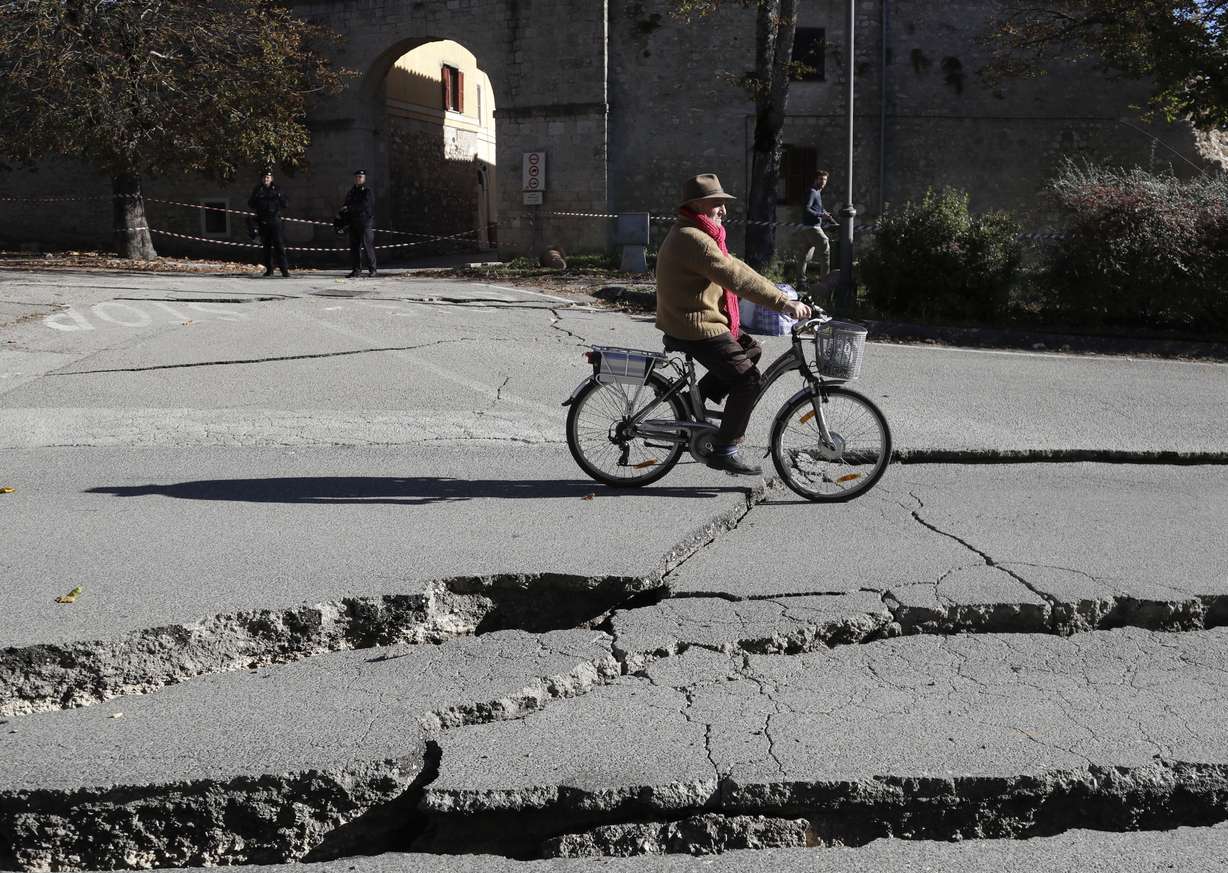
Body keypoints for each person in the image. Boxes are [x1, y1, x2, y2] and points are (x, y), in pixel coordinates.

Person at [656, 173, 812, 477]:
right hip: (694, 325)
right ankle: (725, 450)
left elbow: (736, 267)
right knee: (748, 380)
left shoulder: (702, 234)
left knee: (750, 350)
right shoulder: (694, 239)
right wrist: (783, 304)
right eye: (717, 204)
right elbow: (735, 278)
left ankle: (690, 405)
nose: (724, 210)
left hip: (695, 318)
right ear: (698, 205)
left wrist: (782, 294)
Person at [247, 168, 289, 278]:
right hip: (263, 221)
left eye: (268, 177)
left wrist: (280, 197)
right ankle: (269, 269)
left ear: (271, 179)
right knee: (266, 247)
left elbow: (285, 204)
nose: (266, 179)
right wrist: (255, 198)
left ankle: (284, 270)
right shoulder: (258, 190)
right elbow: (251, 204)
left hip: (275, 221)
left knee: (279, 246)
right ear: (262, 179)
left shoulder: (277, 189)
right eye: (264, 177)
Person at [797, 169, 834, 288]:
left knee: (804, 256)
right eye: (821, 179)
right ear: (816, 179)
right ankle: (825, 282)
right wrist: (820, 215)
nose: (823, 182)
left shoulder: (817, 192)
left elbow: (815, 208)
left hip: (807, 228)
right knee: (825, 250)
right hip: (812, 228)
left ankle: (801, 282)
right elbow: (806, 209)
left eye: (825, 180)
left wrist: (824, 213)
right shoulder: (812, 192)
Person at [341, 169, 377, 278]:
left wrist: (349, 208)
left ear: (364, 178)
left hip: (364, 223)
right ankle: (356, 270)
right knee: (354, 247)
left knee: (367, 246)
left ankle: (372, 269)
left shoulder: (367, 191)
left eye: (360, 177)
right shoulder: (351, 192)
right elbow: (346, 204)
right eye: (357, 177)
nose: (358, 179)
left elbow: (364, 206)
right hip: (353, 223)